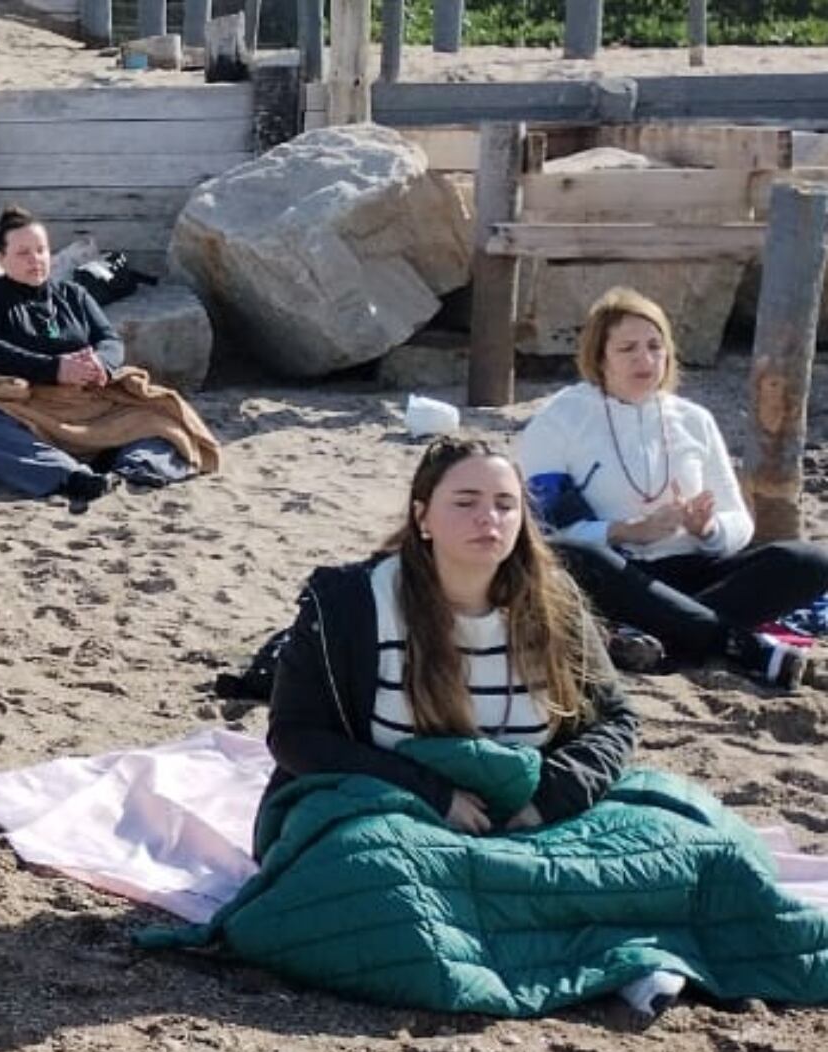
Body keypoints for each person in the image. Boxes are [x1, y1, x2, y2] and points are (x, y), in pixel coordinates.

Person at [268, 438, 636, 834]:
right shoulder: (347, 604)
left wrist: (546, 800)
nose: (488, 517)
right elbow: (294, 733)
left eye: (505, 505)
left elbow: (615, 720)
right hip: (386, 812)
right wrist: (431, 796)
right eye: (465, 502)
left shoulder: (555, 601)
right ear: (422, 517)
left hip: (527, 819)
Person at [518, 287, 828, 689]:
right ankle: (741, 647)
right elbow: (549, 526)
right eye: (627, 348)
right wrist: (627, 531)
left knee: (807, 562)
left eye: (654, 346)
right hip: (618, 575)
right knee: (576, 557)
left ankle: (657, 638)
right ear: (599, 357)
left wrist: (708, 529)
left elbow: (738, 524)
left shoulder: (693, 419)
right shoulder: (559, 420)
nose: (645, 359)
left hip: (690, 571)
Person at [0, 208, 198, 512]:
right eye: (23, 253)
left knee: (165, 419)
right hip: (21, 416)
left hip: (85, 412)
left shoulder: (74, 295)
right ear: (0, 258)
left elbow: (109, 339)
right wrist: (55, 369)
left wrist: (101, 364)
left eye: (41, 250)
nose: (35, 260)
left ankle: (130, 471)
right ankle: (70, 476)